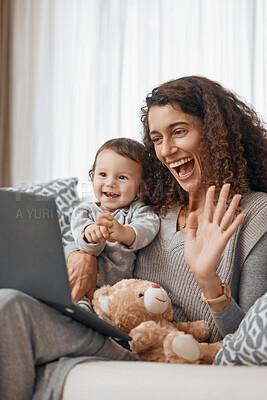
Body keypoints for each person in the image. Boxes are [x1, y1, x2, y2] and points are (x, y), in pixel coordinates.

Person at [0, 76, 266, 400]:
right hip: (111, 332)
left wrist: (207, 280)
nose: (166, 150)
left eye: (179, 131)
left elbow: (246, 341)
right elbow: (95, 220)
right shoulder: (156, 202)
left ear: (214, 132)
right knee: (9, 302)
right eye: (157, 138)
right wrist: (81, 254)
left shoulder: (255, 216)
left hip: (170, 347)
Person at [71, 138, 160, 304]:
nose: (110, 183)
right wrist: (90, 234)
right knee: (79, 308)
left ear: (141, 187)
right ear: (92, 177)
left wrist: (124, 232)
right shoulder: (84, 211)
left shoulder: (139, 210)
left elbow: (148, 229)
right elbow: (80, 241)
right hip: (84, 288)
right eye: (103, 175)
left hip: (117, 295)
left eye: (122, 177)